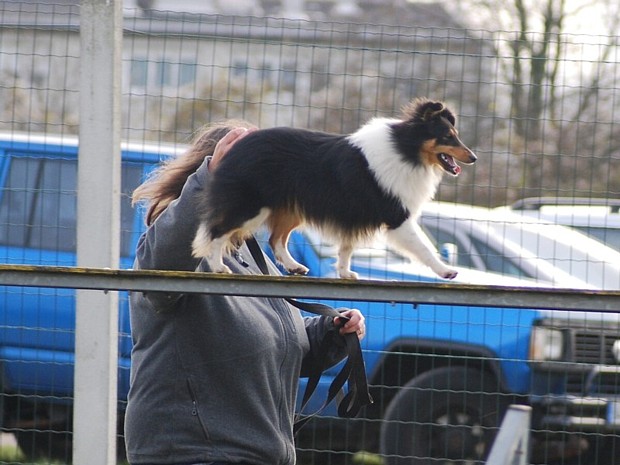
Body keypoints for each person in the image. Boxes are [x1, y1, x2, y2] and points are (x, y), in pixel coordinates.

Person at [125, 120, 366, 465]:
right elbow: (158, 274)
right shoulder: (181, 245)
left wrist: (330, 333)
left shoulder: (251, 255)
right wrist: (211, 180)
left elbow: (272, 344)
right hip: (194, 452)